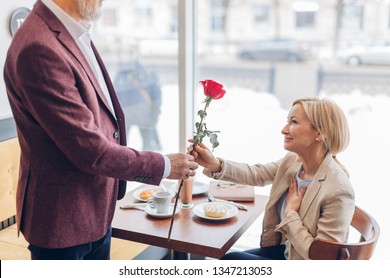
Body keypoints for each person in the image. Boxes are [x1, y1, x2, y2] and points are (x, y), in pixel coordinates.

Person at [3, 0, 198, 260]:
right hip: (63, 223)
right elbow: (91, 151)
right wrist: (163, 165)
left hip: (93, 212)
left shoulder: (71, 31)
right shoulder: (39, 46)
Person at [189, 97, 355, 260]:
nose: (284, 129)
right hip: (287, 252)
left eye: (294, 122)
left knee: (232, 262)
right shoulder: (293, 162)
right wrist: (214, 164)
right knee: (230, 259)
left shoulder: (338, 189)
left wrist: (291, 214)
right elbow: (257, 174)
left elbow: (323, 259)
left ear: (319, 132)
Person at [114, 61, 162, 151]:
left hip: (139, 115)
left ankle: (148, 161)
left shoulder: (145, 76)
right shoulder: (126, 76)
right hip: (130, 115)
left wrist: (155, 113)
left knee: (145, 144)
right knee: (122, 144)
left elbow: (156, 96)